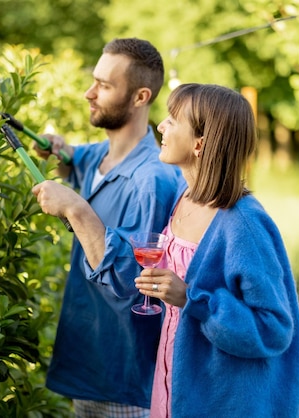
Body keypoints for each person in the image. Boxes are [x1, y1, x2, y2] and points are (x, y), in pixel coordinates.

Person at [134, 83, 299, 417]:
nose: (161, 126)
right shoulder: (182, 197)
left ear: (200, 143)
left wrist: (191, 298)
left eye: (173, 119)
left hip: (222, 400)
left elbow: (274, 329)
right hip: (174, 382)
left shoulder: (244, 224)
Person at [31, 38, 180, 417]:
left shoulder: (153, 180)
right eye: (93, 80)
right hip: (88, 365)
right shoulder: (99, 154)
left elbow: (133, 282)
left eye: (105, 86)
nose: (89, 93)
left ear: (140, 96)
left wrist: (78, 210)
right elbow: (75, 160)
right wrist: (59, 151)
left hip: (125, 379)